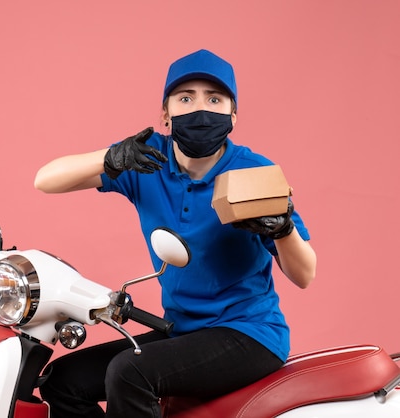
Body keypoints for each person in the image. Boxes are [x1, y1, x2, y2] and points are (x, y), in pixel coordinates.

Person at [33, 49, 317, 418]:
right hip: (181, 330)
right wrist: (110, 158)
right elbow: (45, 180)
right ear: (165, 113)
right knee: (63, 379)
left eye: (214, 99)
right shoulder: (146, 160)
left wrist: (284, 229)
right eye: (186, 98)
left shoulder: (253, 172)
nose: (201, 110)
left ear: (233, 114)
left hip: (248, 334)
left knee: (129, 372)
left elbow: (304, 275)